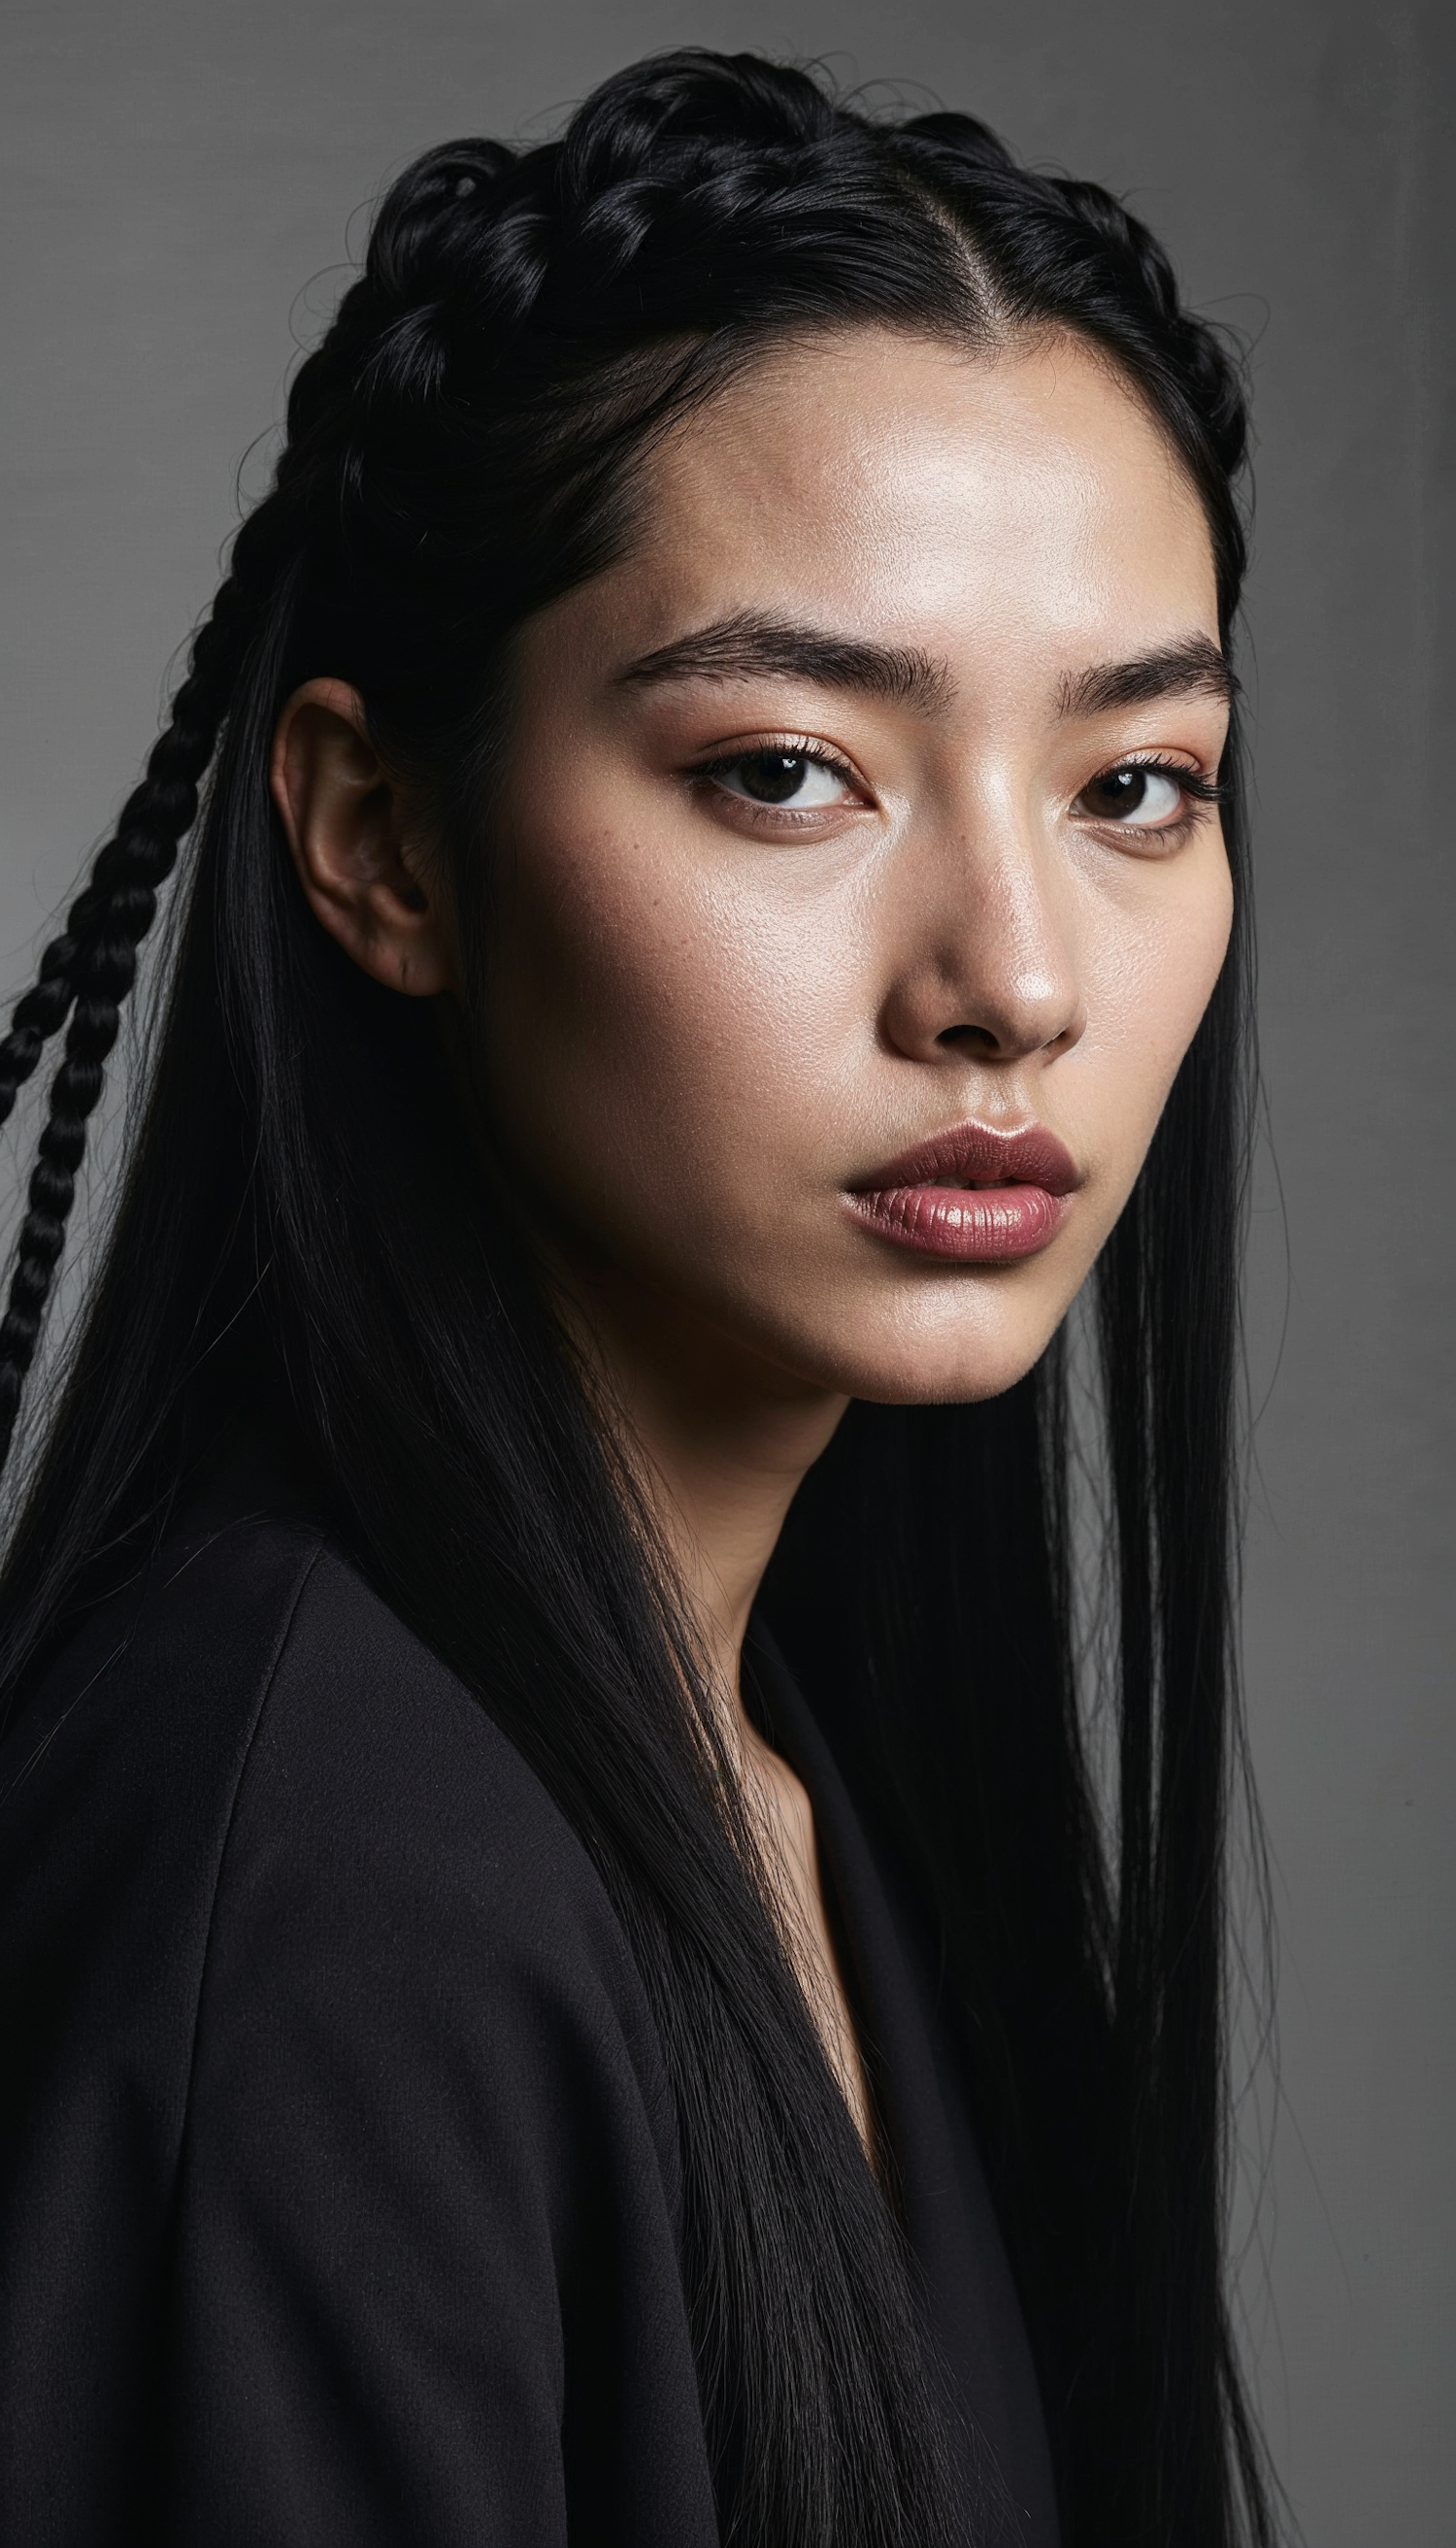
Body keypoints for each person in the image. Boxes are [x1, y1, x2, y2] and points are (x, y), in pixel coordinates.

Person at [0, 47, 1277, 2548]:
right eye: (792, 769)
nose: (1012, 981)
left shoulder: (756, 1762)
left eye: (1136, 785)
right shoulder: (341, 1909)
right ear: (382, 840)